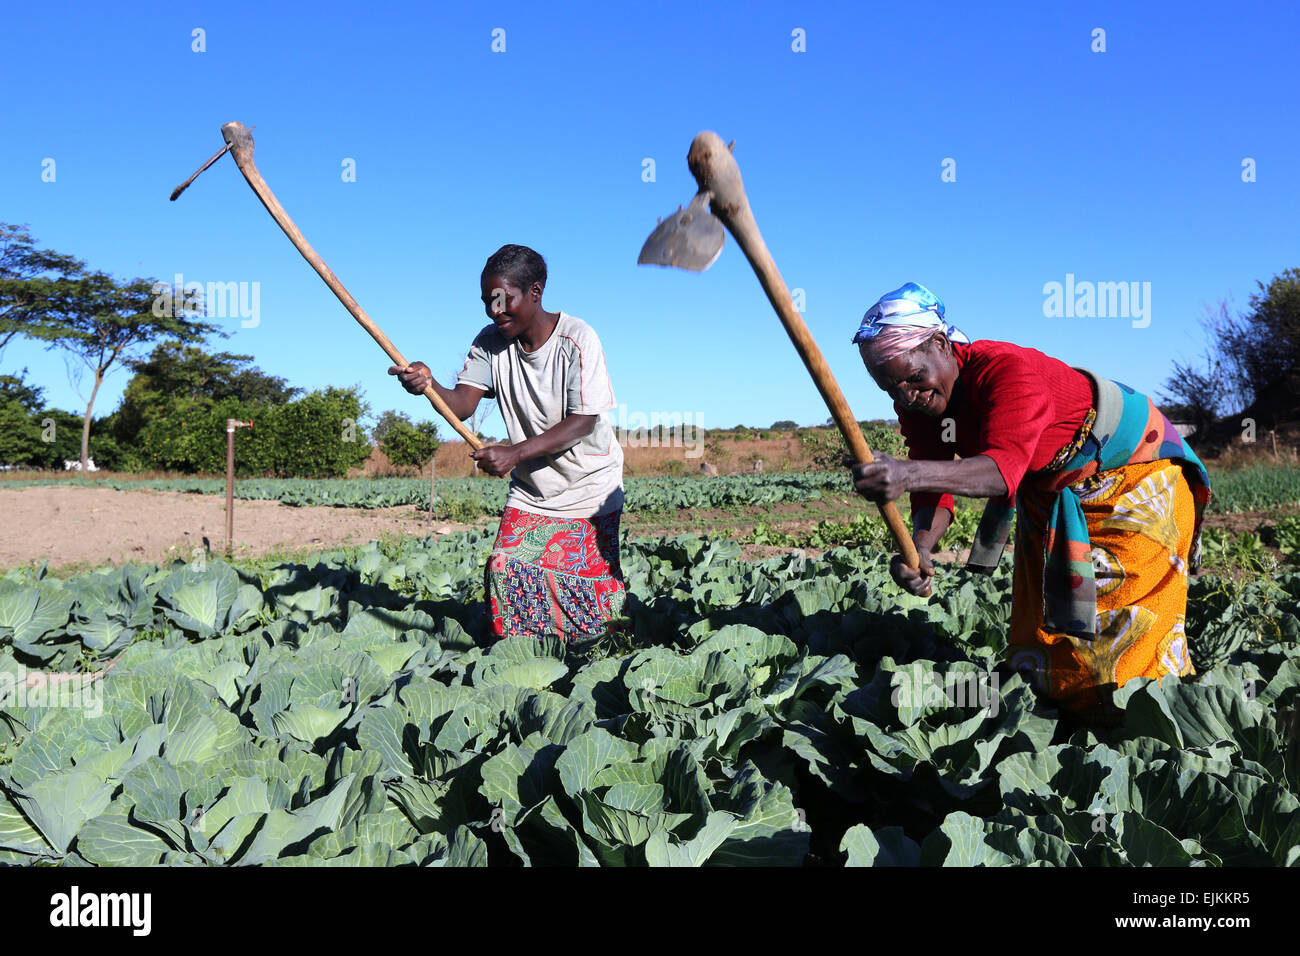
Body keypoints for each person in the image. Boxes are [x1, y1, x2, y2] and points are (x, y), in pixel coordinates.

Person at [847, 282, 1211, 722]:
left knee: (1129, 623)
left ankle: (1146, 728)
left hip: (1133, 477)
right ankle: (1063, 722)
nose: (906, 396)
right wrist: (920, 545)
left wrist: (906, 472)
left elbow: (1001, 471)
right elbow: (932, 484)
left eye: (912, 378)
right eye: (890, 389)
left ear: (940, 344)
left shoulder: (1007, 370)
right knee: (1041, 622)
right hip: (1049, 484)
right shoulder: (921, 404)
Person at [390, 244, 626, 643]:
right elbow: (462, 405)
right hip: (534, 489)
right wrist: (428, 386)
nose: (494, 310)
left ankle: (605, 648)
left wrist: (514, 452)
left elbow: (583, 421)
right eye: (487, 301)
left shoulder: (577, 339)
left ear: (535, 292)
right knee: (505, 569)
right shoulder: (490, 342)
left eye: (504, 299)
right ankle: (523, 656)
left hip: (589, 484)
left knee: (589, 587)